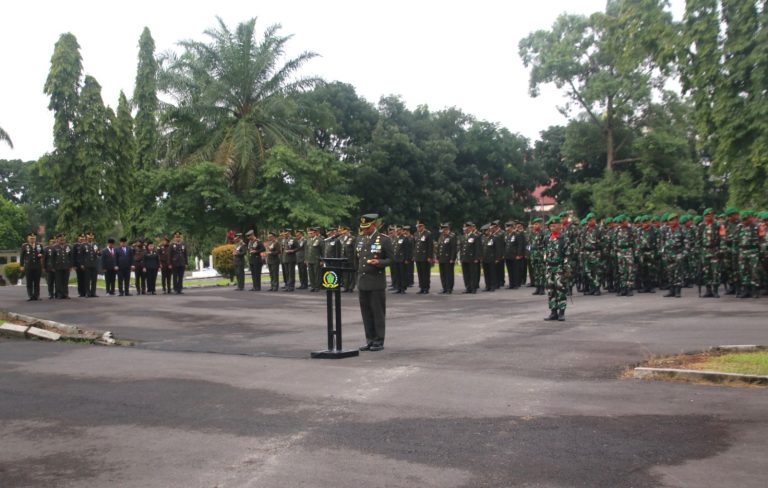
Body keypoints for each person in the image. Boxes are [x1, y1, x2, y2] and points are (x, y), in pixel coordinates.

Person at [356, 214, 394, 352]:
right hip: (362, 281)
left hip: (376, 282)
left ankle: (378, 340)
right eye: (363, 228)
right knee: (366, 313)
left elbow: (391, 259)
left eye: (367, 227)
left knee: (377, 312)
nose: (365, 230)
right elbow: (357, 259)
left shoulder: (384, 240)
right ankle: (370, 339)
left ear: (374, 225)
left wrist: (379, 262)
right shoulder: (360, 239)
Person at [543, 216, 571, 321]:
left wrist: (566, 269)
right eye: (550, 226)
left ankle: (561, 312)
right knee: (551, 290)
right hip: (550, 267)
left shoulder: (564, 239)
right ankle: (553, 312)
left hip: (559, 267)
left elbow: (567, 255)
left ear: (560, 226)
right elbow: (545, 252)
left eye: (554, 225)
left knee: (560, 290)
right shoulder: (547, 238)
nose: (552, 228)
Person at [20, 232, 44, 301]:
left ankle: (36, 295)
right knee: (29, 281)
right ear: (28, 238)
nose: (32, 239)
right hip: (28, 266)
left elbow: (42, 252)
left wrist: (41, 255)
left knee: (37, 281)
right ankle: (30, 295)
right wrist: (21, 265)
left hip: (37, 266)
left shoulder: (39, 245)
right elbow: (22, 256)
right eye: (31, 238)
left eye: (33, 238)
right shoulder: (25, 246)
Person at [412, 220, 434, 294]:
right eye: (417, 226)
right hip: (418, 257)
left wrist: (429, 257)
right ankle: (421, 287)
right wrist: (414, 256)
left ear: (423, 226)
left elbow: (430, 246)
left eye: (420, 226)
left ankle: (426, 288)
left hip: (425, 257)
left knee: (425, 273)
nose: (418, 228)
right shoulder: (416, 234)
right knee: (420, 273)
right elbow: (414, 246)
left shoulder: (427, 234)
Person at [460, 222, 481, 293]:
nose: (465, 229)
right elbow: (461, 248)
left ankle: (473, 288)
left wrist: (476, 258)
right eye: (465, 228)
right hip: (464, 258)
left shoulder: (475, 236)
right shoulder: (463, 237)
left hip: (472, 258)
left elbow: (478, 248)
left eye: (467, 228)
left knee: (473, 273)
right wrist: (461, 258)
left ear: (471, 228)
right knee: (466, 274)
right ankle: (468, 287)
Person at [436, 223, 457, 294]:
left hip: (448, 259)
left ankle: (449, 288)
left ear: (447, 229)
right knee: (443, 274)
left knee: (449, 274)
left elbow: (453, 248)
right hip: (441, 258)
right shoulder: (441, 236)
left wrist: (452, 258)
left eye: (444, 229)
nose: (443, 231)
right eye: (442, 229)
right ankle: (444, 287)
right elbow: (438, 248)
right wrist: (437, 257)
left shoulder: (452, 236)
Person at [52, 233, 74, 299]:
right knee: (58, 281)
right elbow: (52, 258)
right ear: (57, 240)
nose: (62, 240)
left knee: (65, 281)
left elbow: (71, 257)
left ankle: (65, 293)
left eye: (63, 239)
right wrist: (53, 267)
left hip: (66, 266)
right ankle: (59, 294)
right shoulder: (54, 247)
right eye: (60, 239)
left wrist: (71, 266)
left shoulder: (68, 247)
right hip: (58, 267)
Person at [306, 227, 324, 292]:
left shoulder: (319, 240)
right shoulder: (308, 240)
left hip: (316, 259)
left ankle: (317, 286)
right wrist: (306, 259)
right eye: (309, 233)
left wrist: (322, 260)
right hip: (310, 259)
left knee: (317, 274)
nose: (309, 234)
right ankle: (313, 286)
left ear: (314, 233)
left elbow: (322, 250)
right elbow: (306, 250)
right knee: (311, 274)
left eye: (311, 233)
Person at [82, 233, 100, 297]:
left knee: (94, 279)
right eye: (89, 238)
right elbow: (82, 256)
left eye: (91, 238)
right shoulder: (84, 245)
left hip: (94, 264)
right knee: (87, 279)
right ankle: (87, 292)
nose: (90, 239)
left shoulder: (95, 245)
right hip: (87, 264)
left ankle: (93, 292)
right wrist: (82, 264)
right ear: (87, 238)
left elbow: (98, 253)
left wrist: (98, 252)